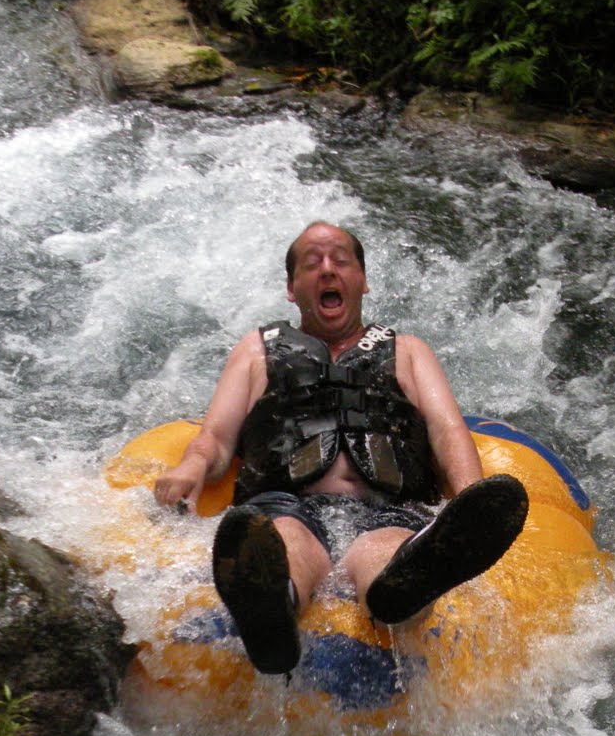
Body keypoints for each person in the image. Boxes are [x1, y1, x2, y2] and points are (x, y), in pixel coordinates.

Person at [153, 221, 528, 675]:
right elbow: (216, 436)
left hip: (388, 506)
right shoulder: (256, 351)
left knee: (388, 555)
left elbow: (447, 431)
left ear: (363, 281)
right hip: (288, 502)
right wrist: (190, 469)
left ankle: (400, 595)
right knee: (286, 542)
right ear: (292, 289)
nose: (327, 271)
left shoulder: (407, 351)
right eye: (312, 264)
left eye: (341, 261)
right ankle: (270, 612)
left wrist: (470, 505)